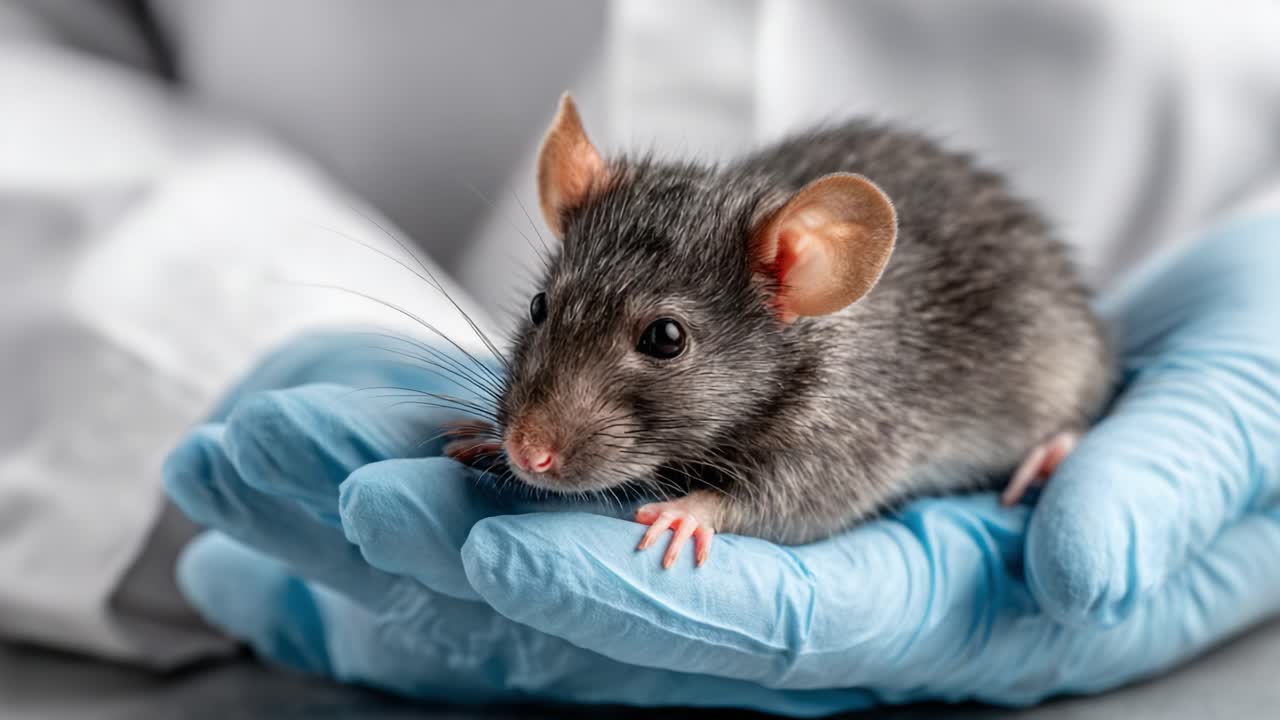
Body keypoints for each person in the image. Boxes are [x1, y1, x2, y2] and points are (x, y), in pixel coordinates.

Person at [2, 0, 1279, 712]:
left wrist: (719, 501)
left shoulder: (829, 363)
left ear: (797, 280)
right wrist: (244, 339)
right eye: (551, 320)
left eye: (659, 343)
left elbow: (837, 474)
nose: (538, 432)